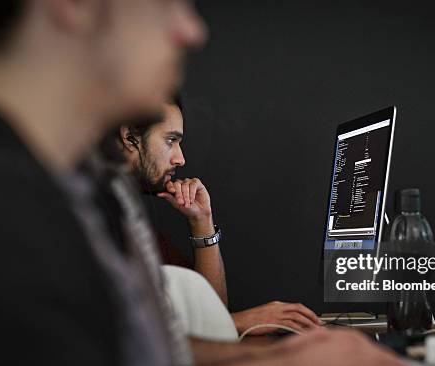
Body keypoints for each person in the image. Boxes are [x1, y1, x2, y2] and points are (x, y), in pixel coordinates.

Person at [0, 1, 410, 366]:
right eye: (164, 5)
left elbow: (139, 360)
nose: (192, 31)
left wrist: (288, 356)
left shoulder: (80, 184)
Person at [117, 98, 323, 334]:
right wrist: (241, 321)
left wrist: (202, 221)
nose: (180, 159)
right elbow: (126, 337)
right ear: (129, 137)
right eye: (170, 140)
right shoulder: (97, 222)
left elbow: (208, 311)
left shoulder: (130, 219)